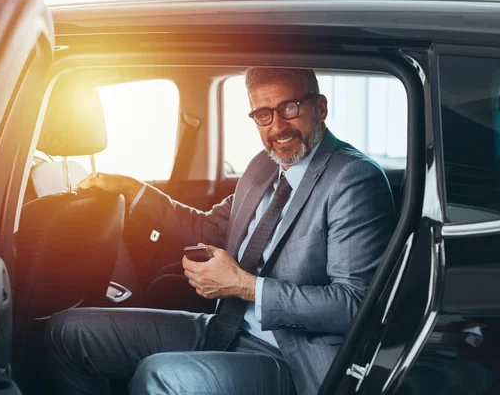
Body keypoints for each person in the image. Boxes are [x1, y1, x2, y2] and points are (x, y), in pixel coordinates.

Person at [44, 67, 396, 395]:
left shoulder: (353, 179)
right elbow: (210, 227)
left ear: (320, 107)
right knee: (68, 331)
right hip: (225, 328)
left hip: (290, 358)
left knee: (160, 374)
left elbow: (354, 306)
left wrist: (244, 286)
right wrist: (131, 189)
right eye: (263, 114)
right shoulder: (263, 165)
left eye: (289, 108)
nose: (277, 128)